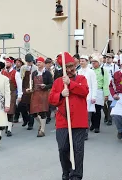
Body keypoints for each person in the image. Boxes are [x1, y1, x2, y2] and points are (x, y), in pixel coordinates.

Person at [49, 52, 89, 180]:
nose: (70, 69)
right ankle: (66, 172)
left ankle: (77, 175)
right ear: (63, 69)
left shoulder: (81, 79)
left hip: (79, 121)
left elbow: (84, 91)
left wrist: (70, 84)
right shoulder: (57, 82)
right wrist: (61, 94)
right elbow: (51, 100)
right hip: (63, 121)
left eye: (72, 66)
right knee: (62, 148)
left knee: (78, 150)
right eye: (67, 67)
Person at [29, 57, 53, 137]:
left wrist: (45, 86)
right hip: (35, 93)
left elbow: (51, 84)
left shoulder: (47, 73)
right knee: (33, 113)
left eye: (39, 62)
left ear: (43, 63)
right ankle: (41, 124)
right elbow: (32, 83)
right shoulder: (34, 73)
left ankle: (42, 130)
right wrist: (30, 89)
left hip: (43, 94)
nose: (38, 64)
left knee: (42, 112)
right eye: (37, 62)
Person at [77, 55, 97, 140]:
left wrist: (94, 96)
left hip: (88, 96)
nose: (81, 62)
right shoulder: (78, 71)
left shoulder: (91, 72)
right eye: (80, 61)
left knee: (87, 116)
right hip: (80, 96)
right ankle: (80, 132)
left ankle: (85, 133)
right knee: (80, 115)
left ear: (87, 62)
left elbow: (94, 84)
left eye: (83, 61)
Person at [1, 57, 22, 137]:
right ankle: (7, 125)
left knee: (10, 111)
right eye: (6, 62)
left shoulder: (16, 73)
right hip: (3, 94)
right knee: (4, 111)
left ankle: (9, 129)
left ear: (11, 63)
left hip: (12, 94)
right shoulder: (2, 72)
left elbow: (19, 85)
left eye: (8, 62)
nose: (6, 64)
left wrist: (19, 95)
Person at [90, 54, 109, 133]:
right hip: (91, 92)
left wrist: (106, 94)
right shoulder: (90, 70)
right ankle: (93, 124)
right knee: (91, 109)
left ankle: (97, 126)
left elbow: (106, 83)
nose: (93, 63)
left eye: (95, 62)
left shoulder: (103, 71)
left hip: (99, 91)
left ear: (98, 62)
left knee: (97, 110)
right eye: (92, 62)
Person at [18, 54, 37, 130]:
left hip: (32, 88)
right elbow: (21, 78)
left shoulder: (35, 68)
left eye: (30, 61)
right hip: (24, 88)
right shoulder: (23, 68)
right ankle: (25, 119)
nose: (29, 63)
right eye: (28, 62)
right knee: (21, 106)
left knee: (30, 107)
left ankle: (30, 123)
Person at [102, 53, 120, 125]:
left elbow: (117, 76)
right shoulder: (102, 66)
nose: (107, 58)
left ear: (112, 59)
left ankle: (109, 119)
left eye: (109, 57)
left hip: (111, 86)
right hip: (104, 86)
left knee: (110, 102)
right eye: (106, 57)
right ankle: (106, 115)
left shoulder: (115, 66)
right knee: (103, 103)